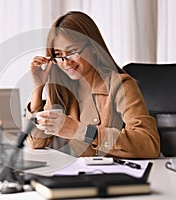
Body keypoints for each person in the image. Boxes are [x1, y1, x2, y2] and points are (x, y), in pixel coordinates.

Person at [26, 11, 160, 158]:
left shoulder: (120, 85)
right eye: (58, 55)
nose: (65, 62)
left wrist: (81, 131)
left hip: (113, 176)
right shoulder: (61, 90)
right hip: (78, 175)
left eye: (72, 51)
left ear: (94, 48)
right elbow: (36, 142)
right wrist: (38, 87)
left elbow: (149, 143)